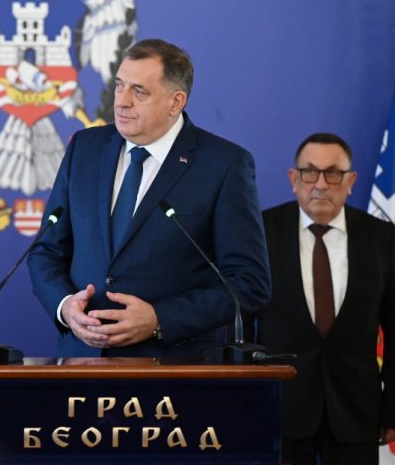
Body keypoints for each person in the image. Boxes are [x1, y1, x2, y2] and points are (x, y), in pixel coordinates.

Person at [27, 38, 270, 358]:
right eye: (119, 86)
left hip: (174, 366)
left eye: (139, 91)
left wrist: (160, 319)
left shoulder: (223, 165)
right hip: (83, 360)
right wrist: (65, 307)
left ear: (175, 101)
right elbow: (46, 250)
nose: (121, 101)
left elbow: (249, 282)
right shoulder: (84, 149)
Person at [255, 132, 395, 465]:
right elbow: (241, 327)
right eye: (309, 172)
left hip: (357, 411)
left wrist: (392, 408)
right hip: (280, 408)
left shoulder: (383, 238)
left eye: (333, 173)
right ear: (294, 179)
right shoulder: (260, 233)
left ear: (351, 181)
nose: (320, 184)